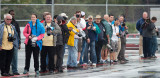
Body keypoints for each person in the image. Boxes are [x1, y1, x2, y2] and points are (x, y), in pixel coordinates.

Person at [8, 10, 21, 75]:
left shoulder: (16, 23)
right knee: (7, 57)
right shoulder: (3, 23)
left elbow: (18, 33)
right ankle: (7, 70)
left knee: (15, 57)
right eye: (11, 14)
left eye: (13, 14)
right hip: (7, 43)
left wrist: (19, 43)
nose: (12, 15)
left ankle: (15, 70)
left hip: (15, 43)